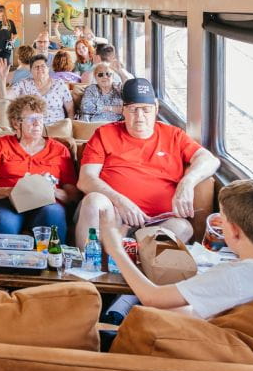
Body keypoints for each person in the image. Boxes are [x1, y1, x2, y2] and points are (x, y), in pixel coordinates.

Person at [99, 179, 253, 319]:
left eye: (222, 220)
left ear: (234, 231)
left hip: (199, 330)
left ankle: (113, 322)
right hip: (218, 307)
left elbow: (152, 297)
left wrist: (115, 247)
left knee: (149, 300)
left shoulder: (232, 276)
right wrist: (244, 241)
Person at [76, 78, 220, 246]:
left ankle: (134, 252)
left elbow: (210, 160)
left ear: (156, 108)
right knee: (94, 202)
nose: (139, 117)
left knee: (182, 228)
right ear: (123, 110)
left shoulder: (174, 135)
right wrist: (120, 201)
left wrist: (187, 183)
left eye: (145, 110)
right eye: (133, 109)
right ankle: (87, 267)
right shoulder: (104, 134)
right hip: (113, 214)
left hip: (157, 222)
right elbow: (86, 179)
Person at [0, 95, 79, 240]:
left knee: (53, 216)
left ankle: (52, 262)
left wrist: (51, 191)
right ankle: (3, 261)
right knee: (2, 224)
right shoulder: (0, 146)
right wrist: (12, 191)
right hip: (6, 203)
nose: (37, 124)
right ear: (16, 123)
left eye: (40, 118)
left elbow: (73, 196)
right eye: (31, 119)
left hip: (46, 205)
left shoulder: (59, 150)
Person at [0, 54, 75, 124]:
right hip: (31, 128)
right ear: (30, 71)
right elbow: (3, 96)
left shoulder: (59, 84)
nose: (40, 69)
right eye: (36, 67)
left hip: (56, 127)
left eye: (43, 66)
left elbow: (70, 110)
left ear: (48, 69)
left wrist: (70, 127)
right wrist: (2, 78)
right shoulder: (23, 84)